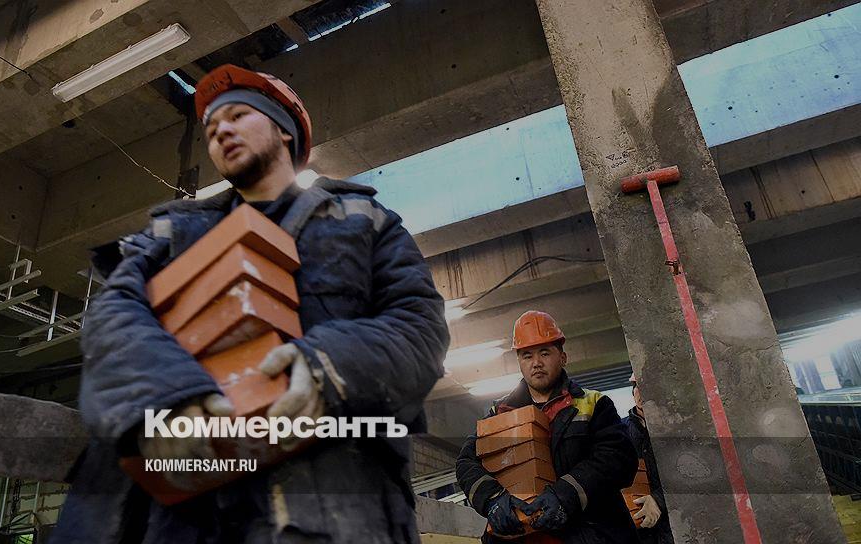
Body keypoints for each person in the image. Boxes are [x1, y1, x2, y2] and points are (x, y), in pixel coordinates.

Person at [50, 64, 450, 544]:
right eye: (211, 128)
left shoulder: (365, 222)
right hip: (184, 517)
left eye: (238, 115)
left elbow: (420, 326)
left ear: (284, 130)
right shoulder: (171, 233)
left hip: (334, 506)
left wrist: (328, 365)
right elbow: (113, 314)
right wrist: (168, 395)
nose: (221, 131)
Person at [455, 310, 639, 543]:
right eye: (527, 356)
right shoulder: (499, 413)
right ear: (519, 363)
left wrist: (566, 494)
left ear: (562, 357)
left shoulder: (594, 404)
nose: (536, 363)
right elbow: (466, 463)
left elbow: (617, 459)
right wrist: (492, 499)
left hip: (590, 533)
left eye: (545, 353)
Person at [622, 374, 674, 544]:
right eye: (637, 386)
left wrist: (659, 500)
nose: (641, 391)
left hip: (677, 527)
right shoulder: (619, 432)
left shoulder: (678, 429)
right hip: (639, 532)